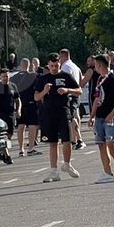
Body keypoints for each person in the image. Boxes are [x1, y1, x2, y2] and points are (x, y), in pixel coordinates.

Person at [34, 54, 81, 182]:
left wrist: (67, 90)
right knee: (53, 142)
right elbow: (36, 97)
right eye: (52, 66)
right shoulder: (43, 79)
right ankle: (54, 171)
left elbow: (79, 90)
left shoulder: (66, 76)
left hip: (63, 112)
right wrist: (44, 91)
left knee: (67, 140)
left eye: (56, 65)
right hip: (48, 114)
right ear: (48, 65)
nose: (54, 68)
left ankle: (67, 164)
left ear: (60, 63)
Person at [92, 55, 114, 183]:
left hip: (111, 116)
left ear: (100, 65)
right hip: (100, 115)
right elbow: (97, 98)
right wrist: (92, 115)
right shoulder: (100, 79)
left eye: (96, 64)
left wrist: (113, 113)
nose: (95, 67)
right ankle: (107, 173)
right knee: (101, 144)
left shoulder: (112, 78)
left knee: (111, 142)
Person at [59, 49, 85, 151]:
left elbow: (63, 81)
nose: (59, 60)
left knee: (71, 118)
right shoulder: (75, 66)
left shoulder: (65, 67)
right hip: (76, 94)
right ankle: (74, 139)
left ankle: (79, 139)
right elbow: (81, 79)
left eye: (60, 58)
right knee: (76, 116)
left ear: (63, 56)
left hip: (69, 94)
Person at [16, 58, 40, 156]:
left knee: (21, 126)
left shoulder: (15, 77)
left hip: (19, 104)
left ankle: (21, 149)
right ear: (29, 65)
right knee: (32, 126)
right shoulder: (33, 76)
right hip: (31, 103)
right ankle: (30, 148)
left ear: (20, 66)